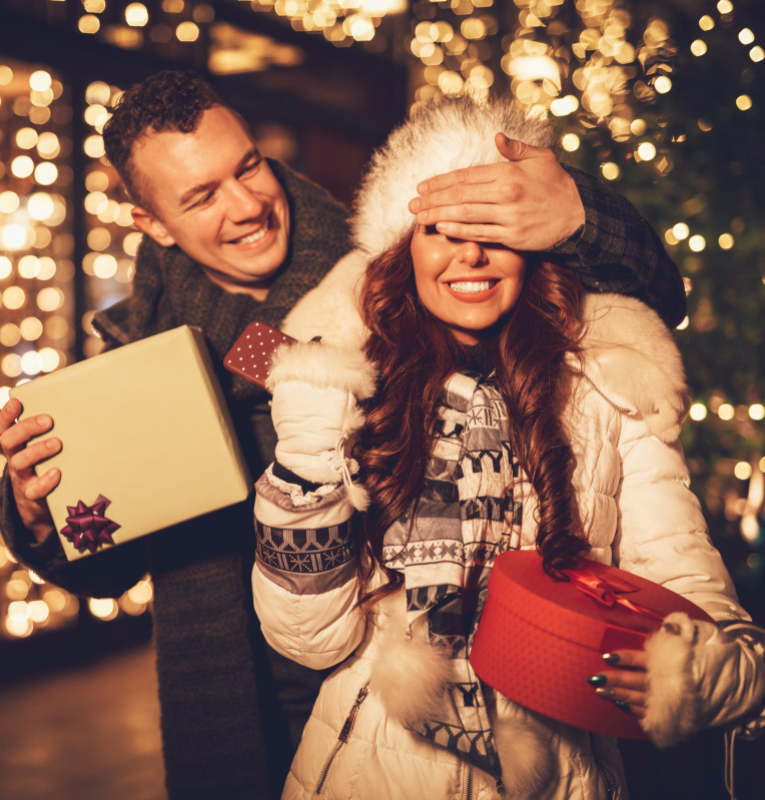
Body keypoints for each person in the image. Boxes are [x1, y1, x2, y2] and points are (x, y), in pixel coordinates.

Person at [0, 70, 687, 799]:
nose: (246, 205)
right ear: (152, 224)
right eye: (201, 196)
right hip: (228, 699)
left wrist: (579, 210)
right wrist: (40, 514)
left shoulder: (381, 262)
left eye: (248, 166)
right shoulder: (140, 349)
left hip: (389, 695)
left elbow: (648, 292)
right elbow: (111, 562)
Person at [251, 94, 765, 799]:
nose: (470, 253)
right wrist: (308, 451)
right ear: (404, 249)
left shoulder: (607, 389)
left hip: (561, 776)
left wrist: (699, 671)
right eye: (440, 229)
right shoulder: (346, 387)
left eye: (492, 229)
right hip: (369, 768)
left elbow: (706, 609)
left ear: (535, 245)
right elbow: (309, 638)